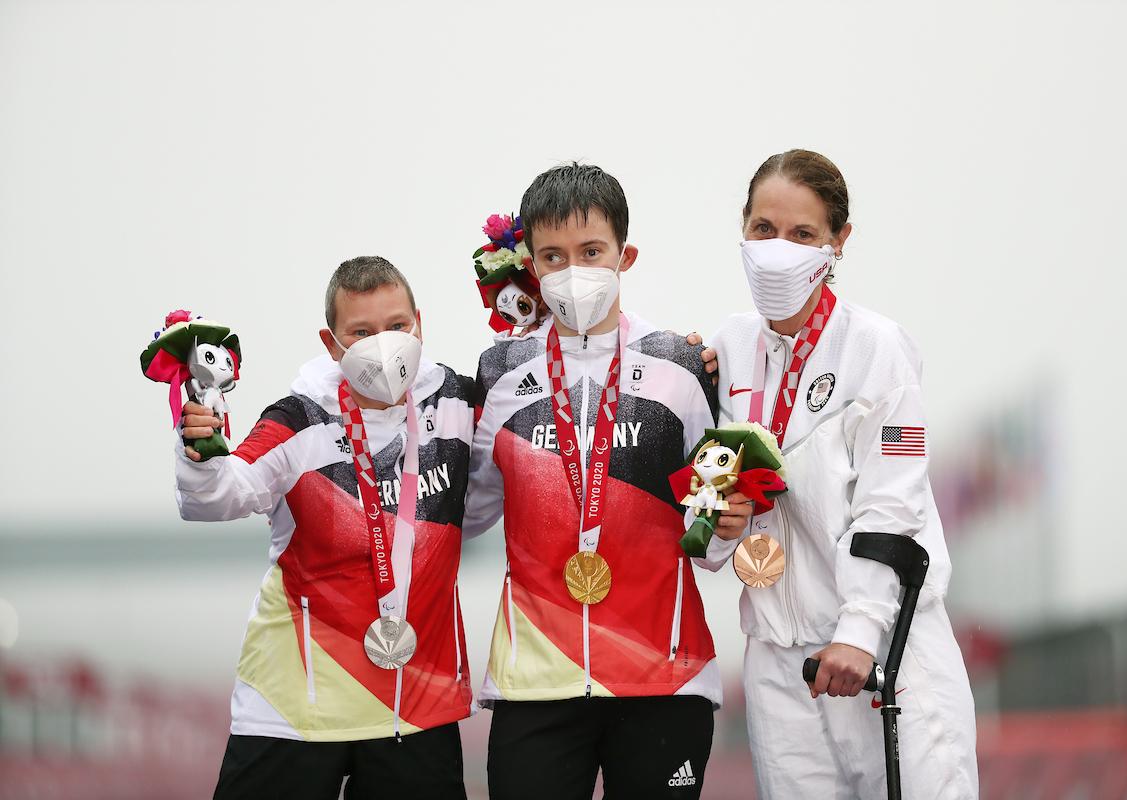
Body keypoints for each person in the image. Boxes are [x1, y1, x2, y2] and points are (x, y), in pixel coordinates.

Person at [697, 150, 979, 798]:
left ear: (838, 242)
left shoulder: (877, 347)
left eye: (801, 234)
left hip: (884, 654)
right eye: (763, 229)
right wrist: (715, 523)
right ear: (742, 229)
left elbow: (894, 504)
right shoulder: (727, 348)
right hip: (777, 665)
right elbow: (705, 515)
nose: (777, 250)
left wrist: (858, 634)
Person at [464, 163, 723, 800]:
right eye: (553, 256)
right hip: (536, 684)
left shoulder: (680, 366)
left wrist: (726, 533)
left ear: (624, 256)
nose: (572, 270)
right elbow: (469, 512)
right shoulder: (499, 372)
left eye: (591, 251)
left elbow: (715, 532)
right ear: (529, 262)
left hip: (664, 677)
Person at [175, 257, 474, 800]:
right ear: (332, 343)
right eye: (362, 332)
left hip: (414, 709)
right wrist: (199, 450)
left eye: (397, 327)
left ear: (420, 324)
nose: (384, 345)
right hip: (294, 707)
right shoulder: (298, 419)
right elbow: (218, 496)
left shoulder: (455, 403)